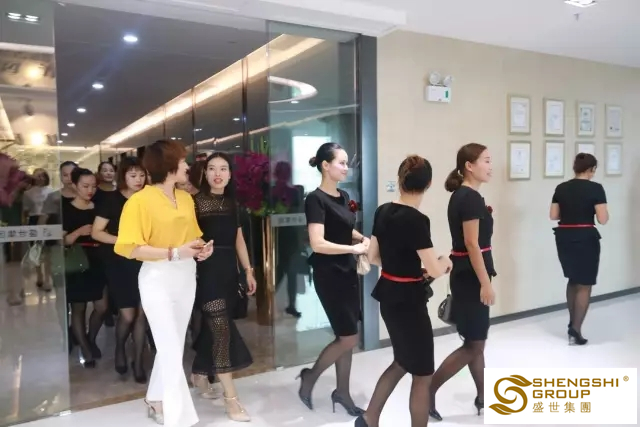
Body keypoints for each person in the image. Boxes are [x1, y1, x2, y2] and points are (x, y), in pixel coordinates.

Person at [114, 139, 213, 427]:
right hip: (157, 277)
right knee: (169, 347)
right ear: (169, 166)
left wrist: (200, 249)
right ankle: (179, 418)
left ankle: (155, 399)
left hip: (185, 276)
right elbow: (130, 247)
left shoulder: (185, 198)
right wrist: (174, 253)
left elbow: (192, 237)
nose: (187, 166)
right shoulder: (139, 201)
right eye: (182, 162)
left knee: (174, 344)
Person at [356, 155, 452, 427]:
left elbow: (373, 257)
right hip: (410, 302)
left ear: (400, 180)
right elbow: (434, 269)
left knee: (401, 361)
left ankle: (369, 418)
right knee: (422, 373)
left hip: (388, 295)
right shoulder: (418, 219)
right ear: (429, 184)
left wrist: (405, 268)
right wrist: (445, 261)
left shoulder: (382, 211)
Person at [298, 142, 368, 417]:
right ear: (325, 166)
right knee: (349, 338)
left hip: (347, 271)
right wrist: (353, 249)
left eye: (346, 163)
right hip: (329, 274)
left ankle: (343, 392)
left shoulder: (344, 195)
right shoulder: (314, 199)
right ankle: (310, 377)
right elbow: (317, 243)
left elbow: (343, 229)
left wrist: (361, 238)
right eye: (341, 162)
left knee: (346, 334)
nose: (346, 167)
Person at [429, 143, 496, 421]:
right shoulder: (469, 198)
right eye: (486, 160)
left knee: (475, 340)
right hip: (471, 277)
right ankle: (427, 390)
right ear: (469, 166)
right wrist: (485, 283)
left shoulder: (463, 195)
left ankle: (483, 396)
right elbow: (471, 244)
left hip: (466, 274)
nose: (490, 166)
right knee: (474, 345)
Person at [190, 152, 256, 422]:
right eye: (212, 168)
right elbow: (188, 237)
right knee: (221, 330)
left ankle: (199, 373)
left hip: (229, 272)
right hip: (205, 271)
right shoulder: (195, 203)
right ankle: (231, 398)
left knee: (216, 325)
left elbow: (239, 239)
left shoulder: (233, 203)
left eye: (223, 169)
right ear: (204, 173)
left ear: (230, 174)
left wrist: (248, 270)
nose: (217, 174)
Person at [92, 157, 148, 382]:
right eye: (133, 175)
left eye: (142, 175)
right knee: (128, 314)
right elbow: (96, 232)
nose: (138, 179)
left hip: (145, 260)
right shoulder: (112, 200)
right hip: (118, 262)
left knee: (143, 313)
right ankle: (120, 348)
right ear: (123, 176)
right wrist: (123, 241)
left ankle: (139, 362)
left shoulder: (148, 199)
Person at [550, 153, 608, 345]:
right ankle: (576, 328)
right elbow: (602, 219)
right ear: (592, 169)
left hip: (564, 237)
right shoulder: (596, 188)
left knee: (573, 279)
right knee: (585, 283)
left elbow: (553, 215)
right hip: (585, 237)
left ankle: (572, 323)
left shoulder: (561, 187)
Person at [62, 168, 109, 368]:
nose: (90, 190)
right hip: (76, 261)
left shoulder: (100, 207)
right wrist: (78, 232)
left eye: (93, 186)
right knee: (78, 308)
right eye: (85, 186)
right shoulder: (66, 210)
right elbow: (62, 241)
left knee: (102, 306)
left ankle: (90, 338)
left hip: (99, 260)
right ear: (74, 185)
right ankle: (85, 348)